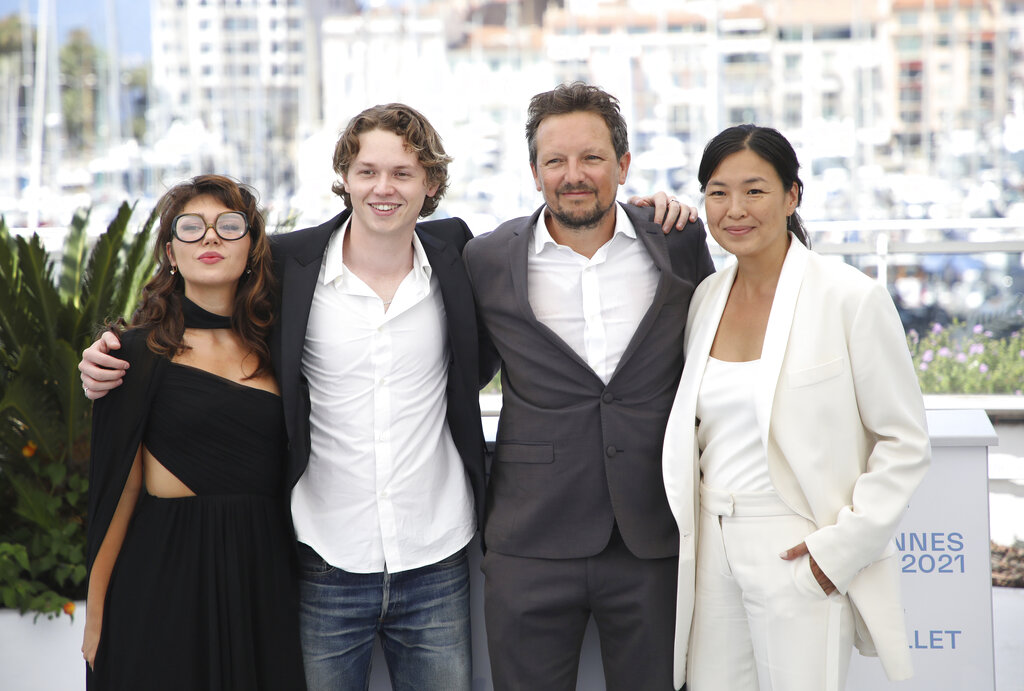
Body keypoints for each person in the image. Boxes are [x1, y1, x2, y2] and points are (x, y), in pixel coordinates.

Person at [79, 103, 690, 690]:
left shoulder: (459, 254)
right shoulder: (291, 264)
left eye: (402, 172)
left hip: (436, 556)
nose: (383, 188)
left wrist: (650, 212)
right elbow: (208, 305)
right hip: (323, 556)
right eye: (367, 171)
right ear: (344, 178)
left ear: (431, 184)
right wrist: (110, 356)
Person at [462, 82, 715, 690]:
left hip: (653, 536)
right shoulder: (486, 260)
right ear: (534, 172)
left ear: (623, 165)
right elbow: (456, 374)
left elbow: (713, 355)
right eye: (555, 160)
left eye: (592, 158)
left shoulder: (678, 241)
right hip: (529, 539)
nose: (573, 175)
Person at [661, 124, 931, 691]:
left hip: (797, 542)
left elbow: (903, 441)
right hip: (710, 542)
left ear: (792, 196)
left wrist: (838, 552)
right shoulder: (705, 298)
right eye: (717, 192)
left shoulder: (850, 297)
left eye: (754, 190)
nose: (735, 209)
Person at [82, 174, 307, 689]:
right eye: (191, 227)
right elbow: (118, 494)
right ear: (170, 252)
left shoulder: (282, 349)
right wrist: (96, 613)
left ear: (251, 249)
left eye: (229, 226)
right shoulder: (131, 355)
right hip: (162, 574)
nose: (210, 237)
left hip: (261, 576)